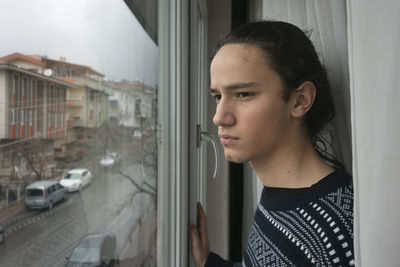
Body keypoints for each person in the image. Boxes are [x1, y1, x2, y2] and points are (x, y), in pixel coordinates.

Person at [188, 21, 354, 267]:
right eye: (217, 96)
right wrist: (209, 263)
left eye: (243, 94)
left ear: (300, 101)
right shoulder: (280, 194)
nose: (219, 117)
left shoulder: (334, 237)